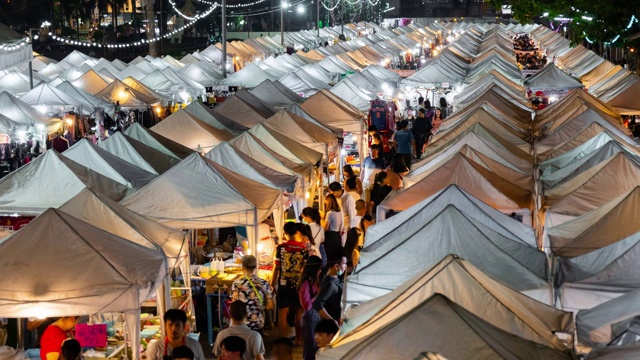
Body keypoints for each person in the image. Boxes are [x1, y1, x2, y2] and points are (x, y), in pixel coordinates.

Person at [271, 222, 308, 340]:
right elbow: (304, 268)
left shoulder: (280, 248)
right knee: (299, 311)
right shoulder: (303, 248)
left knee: (282, 312)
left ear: (285, 233)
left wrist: (272, 283)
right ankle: (298, 339)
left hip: (283, 283)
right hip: (298, 283)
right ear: (296, 232)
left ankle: (283, 339)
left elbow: (276, 267)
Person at [231, 255, 274, 333]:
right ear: (255, 267)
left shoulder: (237, 284)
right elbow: (270, 305)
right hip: (258, 323)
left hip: (242, 323)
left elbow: (234, 305)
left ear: (242, 267)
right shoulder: (264, 283)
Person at [297, 256, 323, 360]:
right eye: (319, 268)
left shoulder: (314, 281)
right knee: (310, 347)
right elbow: (306, 305)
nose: (320, 271)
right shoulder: (305, 284)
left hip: (315, 316)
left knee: (315, 345)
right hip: (309, 318)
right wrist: (317, 296)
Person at [312, 257, 346, 334]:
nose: (346, 266)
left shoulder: (335, 279)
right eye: (344, 263)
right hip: (332, 327)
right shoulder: (330, 283)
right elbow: (317, 304)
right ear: (336, 266)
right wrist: (332, 321)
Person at [360, 144, 386, 214]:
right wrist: (360, 181)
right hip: (366, 183)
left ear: (377, 151)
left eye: (374, 151)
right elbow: (362, 171)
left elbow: (383, 173)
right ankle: (367, 215)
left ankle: (372, 214)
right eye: (371, 151)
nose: (372, 153)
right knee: (366, 202)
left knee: (373, 202)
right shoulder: (366, 159)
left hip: (376, 185)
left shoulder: (381, 161)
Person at [322, 194, 344, 263]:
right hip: (337, 236)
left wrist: (321, 221)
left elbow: (325, 227)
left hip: (330, 237)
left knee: (329, 257)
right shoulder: (340, 212)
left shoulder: (330, 213)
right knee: (335, 256)